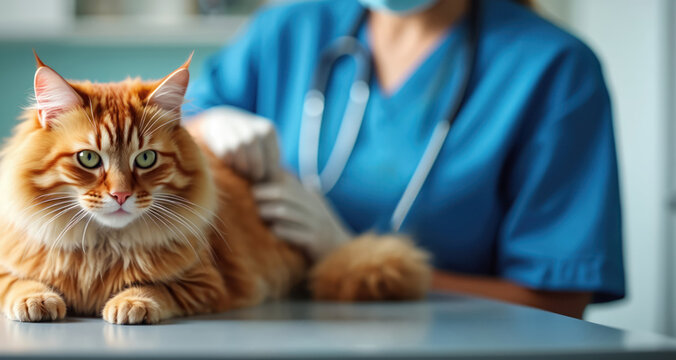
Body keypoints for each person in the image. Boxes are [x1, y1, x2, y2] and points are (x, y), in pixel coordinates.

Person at [185, 0, 624, 318]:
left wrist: (356, 260)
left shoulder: (555, 69)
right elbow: (168, 131)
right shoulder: (286, 31)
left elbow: (558, 303)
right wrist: (206, 124)